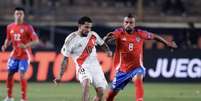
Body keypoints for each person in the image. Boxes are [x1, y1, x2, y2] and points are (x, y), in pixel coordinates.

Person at [104, 13, 177, 101]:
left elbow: (154, 36)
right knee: (110, 96)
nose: (128, 24)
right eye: (126, 22)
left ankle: (139, 99)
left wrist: (167, 43)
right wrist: (108, 38)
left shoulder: (140, 33)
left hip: (137, 68)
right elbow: (113, 35)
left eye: (131, 23)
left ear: (134, 24)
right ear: (123, 23)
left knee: (138, 79)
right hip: (122, 70)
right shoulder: (119, 32)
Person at [54, 16, 112, 101]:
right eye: (86, 27)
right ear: (80, 26)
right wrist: (60, 76)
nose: (88, 29)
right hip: (82, 66)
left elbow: (102, 44)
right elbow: (65, 59)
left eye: (90, 27)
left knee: (101, 93)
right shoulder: (71, 39)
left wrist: (108, 51)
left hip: (95, 66)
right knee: (86, 84)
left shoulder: (93, 35)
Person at [1, 7, 39, 101]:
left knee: (21, 75)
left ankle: (23, 98)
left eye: (20, 14)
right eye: (17, 13)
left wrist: (26, 45)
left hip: (24, 55)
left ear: (23, 15)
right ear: (14, 15)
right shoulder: (9, 27)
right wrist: (5, 45)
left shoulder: (28, 27)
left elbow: (36, 41)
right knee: (10, 74)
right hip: (14, 54)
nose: (18, 15)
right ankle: (9, 97)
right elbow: (8, 38)